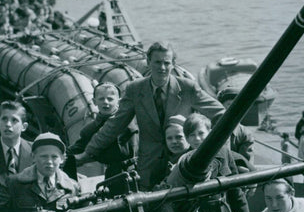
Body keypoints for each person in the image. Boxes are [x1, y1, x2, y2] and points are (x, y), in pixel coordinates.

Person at [74, 42, 224, 188]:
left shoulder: (187, 88)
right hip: (149, 164)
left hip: (183, 163)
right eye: (157, 62)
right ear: (148, 62)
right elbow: (114, 125)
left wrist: (215, 147)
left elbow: (220, 113)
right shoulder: (135, 89)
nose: (162, 67)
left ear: (173, 64)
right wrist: (88, 153)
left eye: (167, 63)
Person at [183, 113, 250, 212]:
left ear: (210, 133)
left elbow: (234, 186)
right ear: (186, 138)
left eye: (201, 133)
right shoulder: (182, 162)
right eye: (191, 135)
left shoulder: (224, 153)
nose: (197, 139)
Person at [67, 83, 138, 180]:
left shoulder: (129, 119)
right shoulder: (90, 129)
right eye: (101, 99)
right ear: (94, 101)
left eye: (110, 99)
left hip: (136, 169)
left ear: (119, 101)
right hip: (113, 174)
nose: (105, 102)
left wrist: (87, 156)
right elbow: (78, 147)